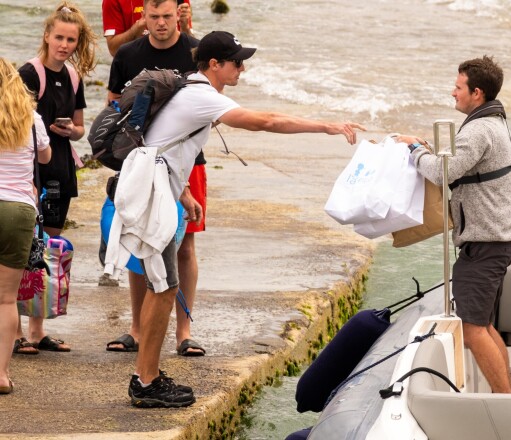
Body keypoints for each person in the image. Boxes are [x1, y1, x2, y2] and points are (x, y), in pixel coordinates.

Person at [120, 30, 365, 408]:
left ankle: (146, 375)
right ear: (214, 65)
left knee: (164, 287)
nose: (243, 67)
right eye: (237, 61)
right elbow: (265, 121)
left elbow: (165, 143)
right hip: (152, 197)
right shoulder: (201, 95)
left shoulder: (194, 92)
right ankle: (145, 380)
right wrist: (326, 125)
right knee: (164, 287)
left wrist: (184, 194)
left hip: (159, 193)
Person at [397, 55, 511, 393]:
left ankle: (506, 404)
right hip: (494, 238)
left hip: (487, 242)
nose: (453, 93)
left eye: (458, 86)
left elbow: (442, 172)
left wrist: (412, 149)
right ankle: (507, 393)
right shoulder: (492, 121)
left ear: (476, 93)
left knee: (472, 328)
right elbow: (460, 164)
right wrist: (427, 149)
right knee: (483, 323)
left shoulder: (479, 129)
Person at [103, 0, 206, 357]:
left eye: (167, 16)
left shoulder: (196, 51)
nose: (161, 23)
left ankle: (184, 331)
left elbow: (213, 105)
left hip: (189, 159)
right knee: (137, 241)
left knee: (185, 243)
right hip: (138, 159)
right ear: (143, 16)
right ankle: (137, 327)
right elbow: (114, 104)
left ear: (179, 13)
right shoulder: (128, 54)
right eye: (154, 17)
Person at [15, 1, 97, 354]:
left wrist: (68, 130)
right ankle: (13, 331)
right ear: (46, 36)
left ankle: (37, 330)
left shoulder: (74, 77)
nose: (64, 45)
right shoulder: (30, 73)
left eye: (71, 40)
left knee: (48, 251)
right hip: (30, 173)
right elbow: (13, 123)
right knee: (20, 253)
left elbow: (80, 129)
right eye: (59, 38)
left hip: (61, 169)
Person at [0, 57, 52, 394]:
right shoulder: (31, 119)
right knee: (5, 299)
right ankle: (1, 374)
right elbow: (45, 157)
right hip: (18, 210)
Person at [102, 0, 193, 57]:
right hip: (136, 64)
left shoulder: (181, 2)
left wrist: (185, 27)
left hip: (175, 63)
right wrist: (136, 29)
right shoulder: (112, 1)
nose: (161, 22)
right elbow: (113, 50)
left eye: (166, 16)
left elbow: (192, 51)